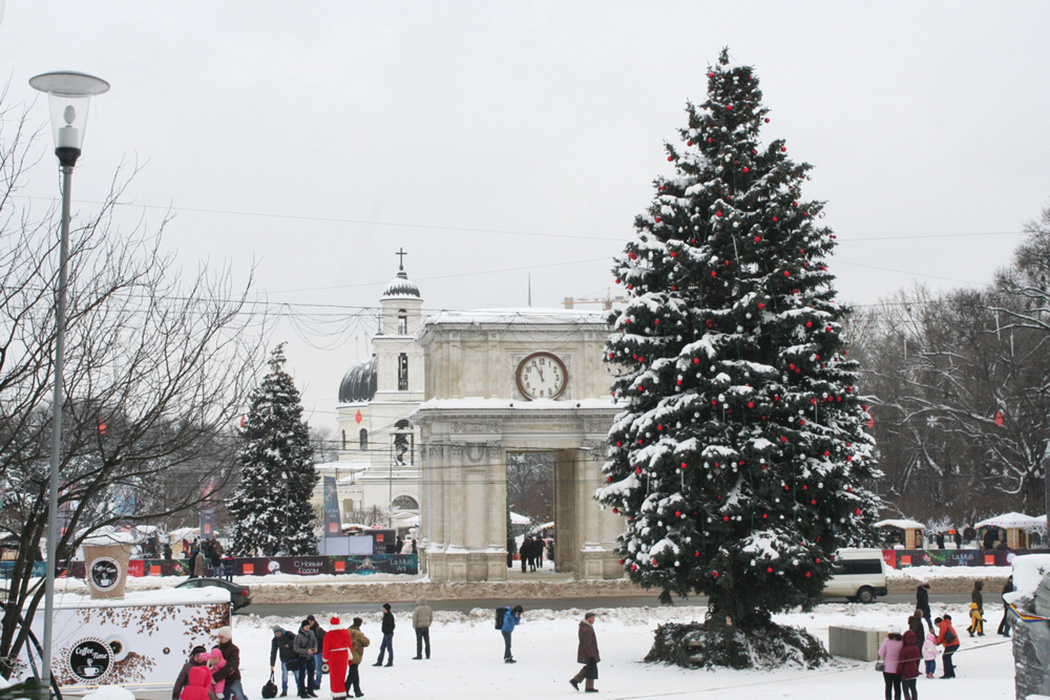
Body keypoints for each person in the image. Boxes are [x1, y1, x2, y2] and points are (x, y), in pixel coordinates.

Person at [211, 626, 247, 700]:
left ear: (227, 637)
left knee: (239, 695)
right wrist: (211, 663)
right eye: (219, 637)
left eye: (222, 637)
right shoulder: (216, 649)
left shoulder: (234, 649)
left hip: (232, 679)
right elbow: (208, 661)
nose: (220, 639)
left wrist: (215, 677)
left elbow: (231, 666)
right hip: (220, 682)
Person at [322, 616, 353, 700]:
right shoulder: (345, 632)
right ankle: (342, 693)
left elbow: (326, 648)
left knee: (335, 677)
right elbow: (349, 645)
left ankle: (336, 694)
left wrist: (325, 659)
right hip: (343, 656)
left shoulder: (328, 635)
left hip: (334, 657)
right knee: (342, 675)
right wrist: (350, 658)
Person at [569, 612, 600, 693]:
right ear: (588, 619)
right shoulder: (587, 629)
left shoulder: (585, 627)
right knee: (591, 668)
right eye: (593, 618)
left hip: (587, 652)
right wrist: (591, 654)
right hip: (589, 652)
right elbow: (587, 643)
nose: (594, 620)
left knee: (590, 667)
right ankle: (586, 686)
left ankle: (578, 681)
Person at [270, 626, 300, 698]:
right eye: (276, 633)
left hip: (294, 657)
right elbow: (273, 652)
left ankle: (300, 689)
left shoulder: (288, 634)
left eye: (279, 632)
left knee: (297, 675)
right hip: (284, 659)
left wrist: (289, 644)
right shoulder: (275, 640)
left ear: (281, 631)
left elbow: (297, 639)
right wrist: (272, 664)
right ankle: (284, 690)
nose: (278, 634)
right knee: (284, 676)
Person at [293, 619, 318, 698]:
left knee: (311, 675)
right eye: (306, 626)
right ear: (302, 627)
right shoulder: (299, 636)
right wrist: (307, 651)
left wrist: (315, 648)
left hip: (311, 658)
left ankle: (310, 690)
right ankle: (302, 692)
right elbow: (296, 648)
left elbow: (315, 641)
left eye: (308, 625)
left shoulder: (312, 633)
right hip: (302, 658)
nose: (308, 627)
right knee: (302, 675)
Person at [878, 625, 904, 700]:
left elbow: (881, 652)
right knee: (897, 687)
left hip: (887, 668)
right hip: (898, 668)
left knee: (888, 687)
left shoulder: (887, 640)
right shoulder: (902, 641)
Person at [346, 617, 370, 698]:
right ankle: (345, 690)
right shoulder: (358, 633)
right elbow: (367, 642)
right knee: (352, 673)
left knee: (354, 672)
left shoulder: (347, 631)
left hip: (347, 654)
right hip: (355, 655)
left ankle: (357, 690)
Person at [898, 630, 921, 700]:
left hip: (905, 673)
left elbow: (901, 662)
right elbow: (918, 660)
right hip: (914, 671)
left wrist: (898, 671)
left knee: (905, 690)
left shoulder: (904, 649)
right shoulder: (916, 648)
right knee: (913, 688)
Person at [306, 615, 326, 690]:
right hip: (309, 653)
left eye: (311, 621)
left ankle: (317, 683)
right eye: (309, 621)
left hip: (318, 652)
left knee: (318, 669)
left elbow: (326, 637)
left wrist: (321, 647)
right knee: (308, 669)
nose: (310, 623)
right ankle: (311, 682)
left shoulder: (318, 629)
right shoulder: (305, 629)